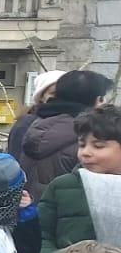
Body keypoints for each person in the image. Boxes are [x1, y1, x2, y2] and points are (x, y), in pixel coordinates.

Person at [37, 105, 121, 253]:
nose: (86, 153)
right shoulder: (62, 187)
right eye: (82, 145)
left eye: (98, 146)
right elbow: (41, 235)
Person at [16, 69, 113, 201]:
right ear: (97, 100)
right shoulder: (87, 134)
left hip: (32, 211)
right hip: (69, 215)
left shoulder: (33, 124)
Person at [8, 69, 65, 160]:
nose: (59, 98)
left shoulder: (76, 120)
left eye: (63, 93)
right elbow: (16, 158)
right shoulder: (26, 124)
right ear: (41, 97)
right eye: (53, 93)